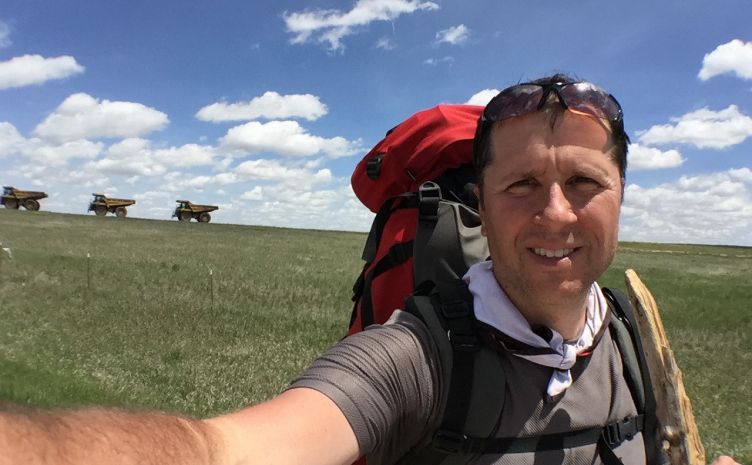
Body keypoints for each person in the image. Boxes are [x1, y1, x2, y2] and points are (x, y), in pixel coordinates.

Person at [0, 76, 740, 465]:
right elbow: (227, 450)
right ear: (481, 198)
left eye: (583, 183)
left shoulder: (637, 340)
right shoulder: (418, 354)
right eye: (521, 186)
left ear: (620, 197)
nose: (555, 213)